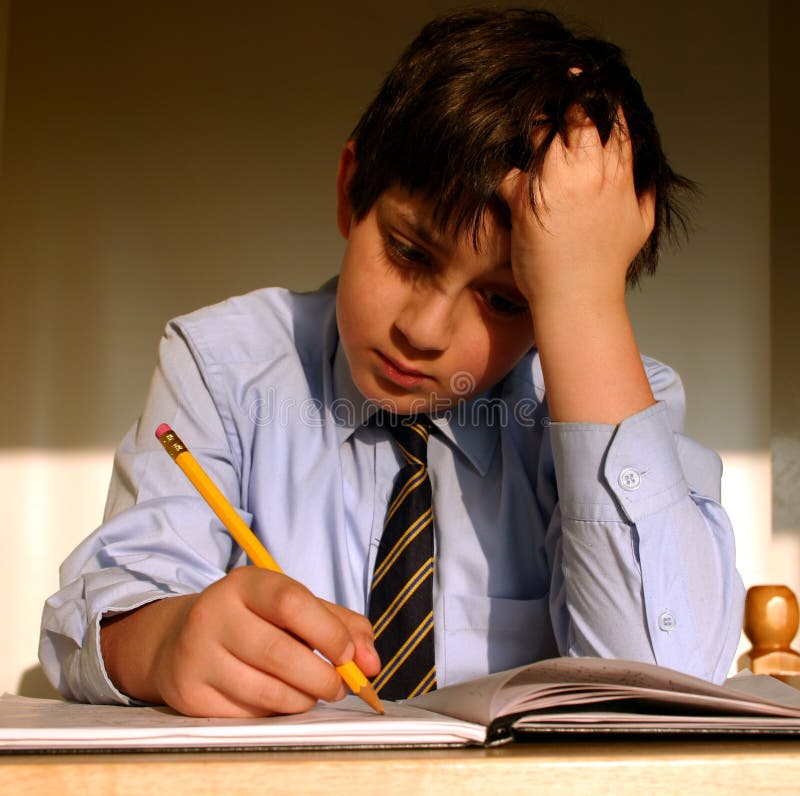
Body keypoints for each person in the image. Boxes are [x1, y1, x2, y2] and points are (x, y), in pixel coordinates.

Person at [40, 7, 744, 717]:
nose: (423, 330)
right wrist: (164, 644)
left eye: (505, 301)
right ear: (353, 191)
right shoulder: (224, 366)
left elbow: (662, 684)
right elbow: (111, 601)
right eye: (409, 254)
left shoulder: (611, 401)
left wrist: (585, 307)